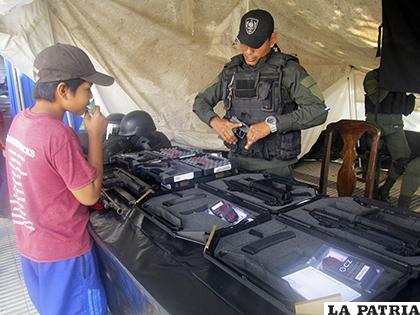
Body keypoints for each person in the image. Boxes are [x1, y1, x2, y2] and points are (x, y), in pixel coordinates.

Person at [4, 43, 114, 315]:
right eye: (87, 90)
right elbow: (89, 195)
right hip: (65, 254)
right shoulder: (58, 134)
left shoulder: (21, 121)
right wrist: (96, 137)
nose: (90, 98)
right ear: (63, 90)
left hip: (32, 245)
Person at [193, 9, 327, 177]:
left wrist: (271, 125)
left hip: (275, 168)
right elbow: (200, 102)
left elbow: (319, 111)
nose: (248, 51)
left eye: (256, 45)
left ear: (272, 40)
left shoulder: (289, 70)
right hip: (236, 162)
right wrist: (216, 122)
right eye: (244, 43)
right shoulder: (231, 71)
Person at [363, 68, 415, 202]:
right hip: (375, 123)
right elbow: (375, 97)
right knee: (372, 159)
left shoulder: (402, 75)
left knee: (402, 159)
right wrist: (390, 78)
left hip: (395, 124)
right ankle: (371, 191)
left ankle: (385, 189)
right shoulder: (373, 75)